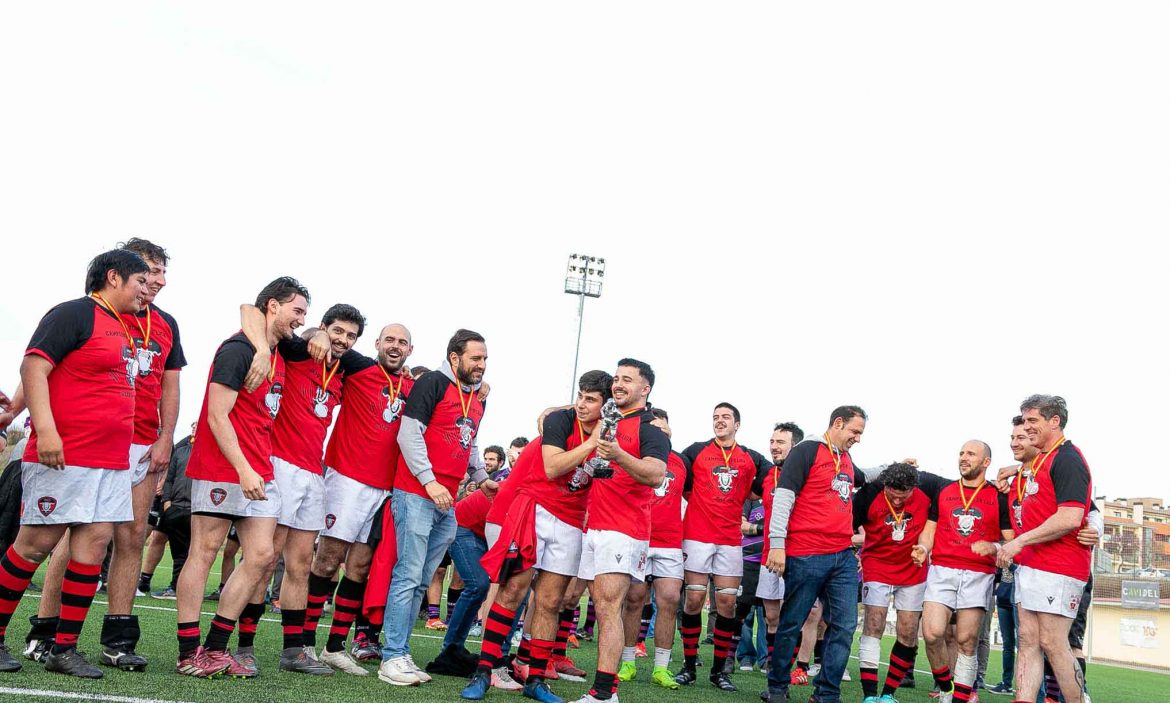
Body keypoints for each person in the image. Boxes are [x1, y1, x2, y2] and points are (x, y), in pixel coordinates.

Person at [0, 249, 150, 677]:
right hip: (66, 455)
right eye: (141, 281)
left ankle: (63, 649)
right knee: (34, 546)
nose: (147, 290)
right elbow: (33, 366)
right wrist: (45, 430)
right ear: (114, 277)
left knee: (93, 546)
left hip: (109, 461)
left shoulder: (123, 326)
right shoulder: (73, 313)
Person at [174, 276, 309, 679]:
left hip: (259, 468)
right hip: (225, 466)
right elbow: (216, 415)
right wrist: (243, 468)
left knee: (263, 556)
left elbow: (310, 336)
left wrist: (273, 345)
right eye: (296, 311)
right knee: (205, 551)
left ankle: (216, 648)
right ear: (273, 306)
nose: (301, 320)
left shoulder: (278, 351)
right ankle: (187, 651)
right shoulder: (238, 349)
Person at [463, 370, 613, 703]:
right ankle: (484, 671)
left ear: (607, 405)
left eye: (591, 399)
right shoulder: (561, 419)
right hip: (535, 509)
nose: (582, 404)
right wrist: (592, 443)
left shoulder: (614, 433)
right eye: (581, 396)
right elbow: (552, 467)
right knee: (513, 589)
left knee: (550, 602)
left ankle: (534, 679)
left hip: (571, 521)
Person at [241, 302, 366, 674]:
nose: (343, 340)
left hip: (315, 473)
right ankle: (244, 646)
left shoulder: (344, 371)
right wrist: (313, 335)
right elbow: (249, 309)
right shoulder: (297, 352)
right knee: (264, 561)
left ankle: (294, 652)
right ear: (324, 327)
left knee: (300, 564)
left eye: (351, 336)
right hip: (279, 465)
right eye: (338, 331)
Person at [379, 329, 497, 686]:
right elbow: (409, 434)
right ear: (454, 358)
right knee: (408, 574)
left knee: (421, 580)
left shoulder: (477, 397)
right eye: (475, 358)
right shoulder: (432, 382)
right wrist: (429, 480)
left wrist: (480, 475)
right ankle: (391, 657)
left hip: (448, 500)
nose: (482, 365)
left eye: (485, 359)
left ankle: (401, 653)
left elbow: (469, 438)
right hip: (417, 492)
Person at [308, 322, 414, 668]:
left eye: (402, 342)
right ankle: (304, 643)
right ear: (378, 344)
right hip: (346, 479)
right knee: (327, 560)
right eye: (390, 340)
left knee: (360, 567)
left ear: (410, 350)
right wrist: (319, 334)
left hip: (385, 488)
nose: (395, 346)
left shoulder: (413, 386)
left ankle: (335, 647)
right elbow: (318, 341)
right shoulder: (359, 367)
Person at [572, 359, 669, 703]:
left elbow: (656, 474)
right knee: (575, 599)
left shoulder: (652, 428)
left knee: (609, 607)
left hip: (624, 529)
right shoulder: (607, 420)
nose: (618, 384)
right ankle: (545, 663)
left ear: (645, 389)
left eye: (627, 380)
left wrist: (618, 455)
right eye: (616, 378)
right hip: (594, 526)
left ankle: (603, 694)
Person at [764, 406, 868, 703]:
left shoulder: (845, 458)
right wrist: (777, 544)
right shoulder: (807, 450)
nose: (858, 438)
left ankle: (826, 693)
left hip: (843, 556)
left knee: (845, 625)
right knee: (792, 622)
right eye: (855, 432)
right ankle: (777, 686)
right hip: (807, 553)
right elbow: (784, 497)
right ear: (838, 423)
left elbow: (864, 477)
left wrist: (895, 467)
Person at [996, 396, 1093, 703]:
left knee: (1053, 642)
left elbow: (1070, 517)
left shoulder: (1068, 458)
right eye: (1024, 421)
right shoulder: (1039, 460)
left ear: (1055, 422)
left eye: (1033, 421)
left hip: (1061, 566)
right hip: (1031, 564)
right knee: (1027, 640)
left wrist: (1019, 541)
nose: (1027, 427)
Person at [674, 402, 772, 691]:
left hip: (730, 539)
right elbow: (682, 482)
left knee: (728, 604)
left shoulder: (752, 457)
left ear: (737, 424)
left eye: (725, 417)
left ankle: (720, 672)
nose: (719, 421)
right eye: (715, 417)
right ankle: (689, 667)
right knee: (693, 600)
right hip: (697, 534)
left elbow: (764, 485)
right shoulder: (695, 451)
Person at [912, 441, 1013, 703]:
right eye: (961, 453)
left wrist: (992, 547)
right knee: (932, 632)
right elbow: (931, 529)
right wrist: (923, 548)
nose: (963, 458)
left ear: (986, 462)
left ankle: (960, 696)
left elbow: (1011, 539)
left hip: (979, 573)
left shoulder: (998, 494)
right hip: (942, 569)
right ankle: (946, 686)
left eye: (970, 454)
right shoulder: (945, 491)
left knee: (967, 640)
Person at [853, 461, 947, 703]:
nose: (896, 502)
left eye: (902, 497)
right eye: (892, 496)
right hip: (877, 565)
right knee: (874, 624)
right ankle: (869, 695)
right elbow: (845, 526)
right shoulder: (869, 493)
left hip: (912, 567)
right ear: (885, 485)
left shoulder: (929, 485)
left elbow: (963, 488)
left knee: (907, 632)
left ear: (914, 487)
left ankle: (888, 694)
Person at [618, 407, 685, 689]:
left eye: (664, 427)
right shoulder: (635, 458)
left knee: (669, 599)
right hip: (640, 536)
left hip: (670, 541)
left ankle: (661, 668)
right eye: (655, 427)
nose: (660, 431)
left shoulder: (682, 462)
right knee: (634, 599)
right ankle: (628, 661)